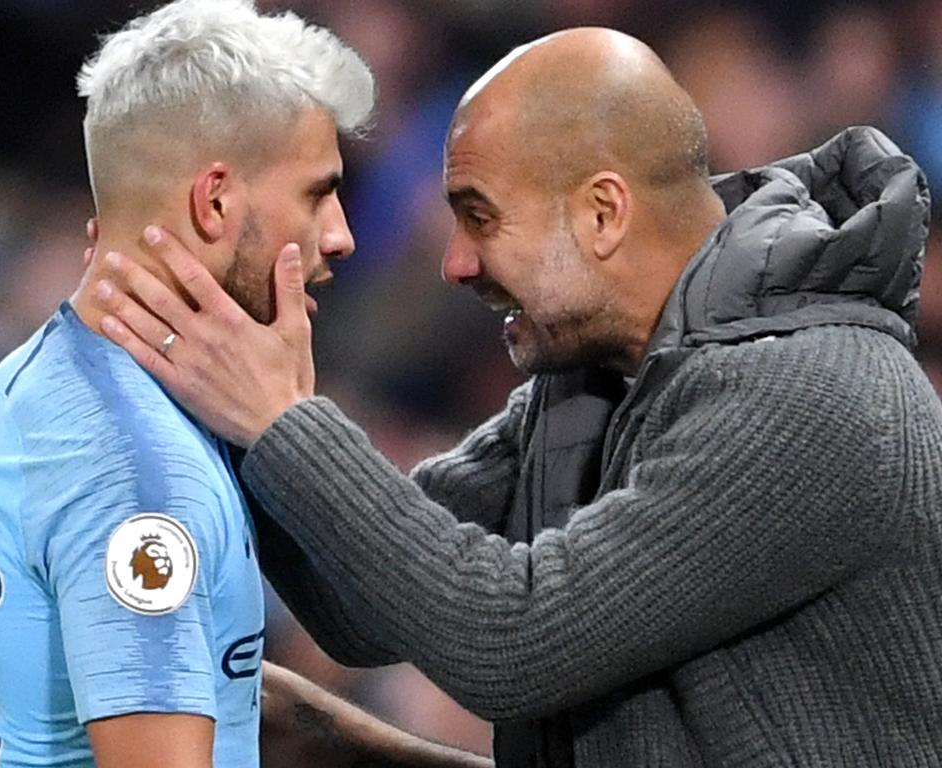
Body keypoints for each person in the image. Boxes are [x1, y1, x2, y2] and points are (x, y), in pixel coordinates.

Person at [93, 26, 942, 768]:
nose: (455, 263)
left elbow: (509, 638)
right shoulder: (597, 377)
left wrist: (282, 419)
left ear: (603, 213)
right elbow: (365, 600)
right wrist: (228, 390)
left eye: (480, 216)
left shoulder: (815, 393)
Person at [0, 1, 494, 767]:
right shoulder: (137, 470)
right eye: (317, 192)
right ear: (214, 202)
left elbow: (206, 681)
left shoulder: (43, 370)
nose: (341, 234)